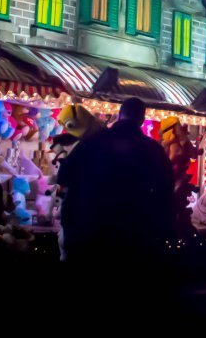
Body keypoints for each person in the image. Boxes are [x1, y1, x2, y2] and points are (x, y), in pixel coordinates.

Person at [56, 97, 174, 272]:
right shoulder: (153, 149)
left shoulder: (93, 141)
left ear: (119, 115)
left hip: (89, 229)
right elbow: (166, 190)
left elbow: (64, 176)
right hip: (134, 234)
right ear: (142, 120)